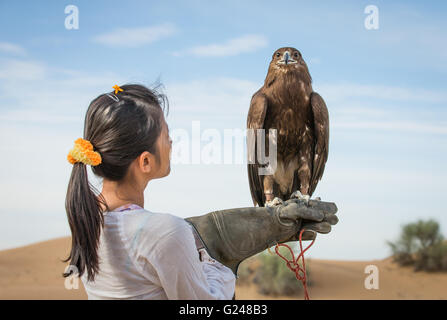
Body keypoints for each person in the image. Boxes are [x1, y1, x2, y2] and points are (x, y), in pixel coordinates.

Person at [64, 84, 338, 300]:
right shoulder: (166, 232)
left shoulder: (87, 219)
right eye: (166, 134)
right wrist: (216, 257)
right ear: (145, 162)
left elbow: (142, 241)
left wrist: (192, 234)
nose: (171, 141)